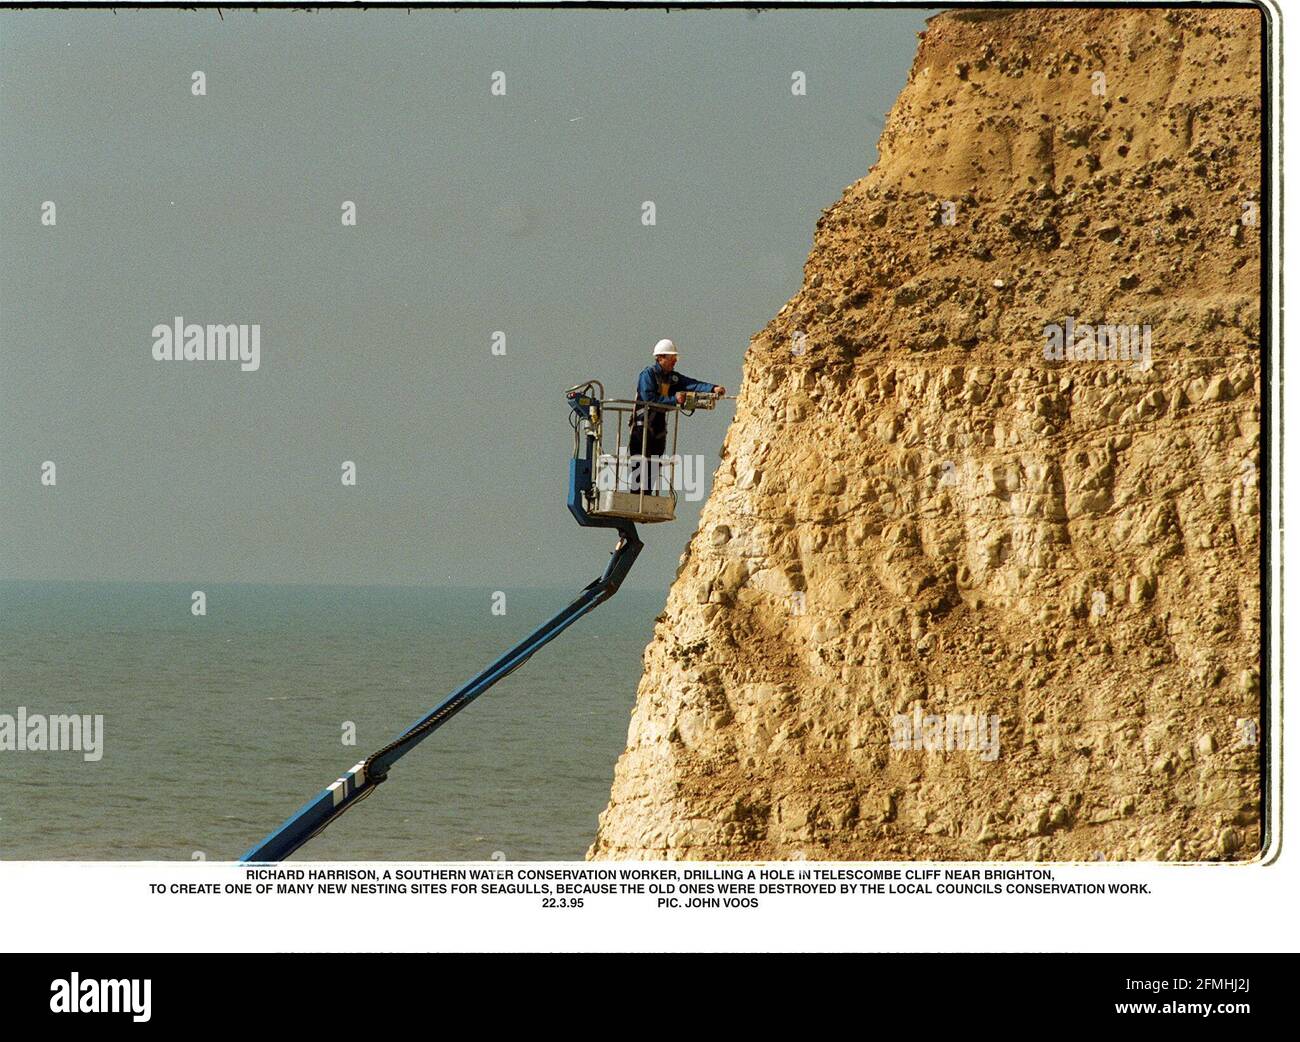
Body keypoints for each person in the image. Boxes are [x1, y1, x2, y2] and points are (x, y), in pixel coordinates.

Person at [628, 339, 726, 494]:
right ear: (660, 358)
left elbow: (691, 384)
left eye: (675, 358)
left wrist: (713, 388)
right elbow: (649, 400)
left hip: (658, 426)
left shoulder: (671, 377)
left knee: (655, 462)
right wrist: (674, 400)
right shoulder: (648, 375)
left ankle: (645, 497)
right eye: (671, 358)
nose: (674, 361)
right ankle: (636, 497)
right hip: (643, 426)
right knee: (640, 463)